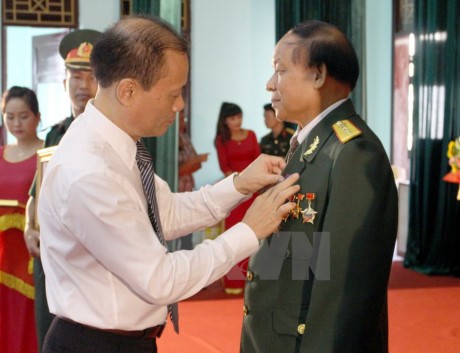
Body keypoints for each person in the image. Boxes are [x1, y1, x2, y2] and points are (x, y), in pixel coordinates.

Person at [38, 15, 300, 353]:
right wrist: (249, 230)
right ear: (128, 91)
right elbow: (160, 279)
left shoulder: (115, 145)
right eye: (173, 94)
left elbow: (166, 213)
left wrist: (239, 185)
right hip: (96, 344)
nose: (179, 106)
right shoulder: (91, 171)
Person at [240, 20, 398, 353]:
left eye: (280, 71)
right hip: (276, 336)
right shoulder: (311, 144)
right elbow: (301, 253)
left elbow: (348, 290)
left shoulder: (353, 152)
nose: (270, 84)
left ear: (318, 75)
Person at [23, 28, 101, 352]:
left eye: (90, 77)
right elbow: (35, 194)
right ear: (64, 82)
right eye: (75, 77)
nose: (82, 86)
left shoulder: (116, 136)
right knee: (49, 337)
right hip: (51, 261)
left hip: (92, 259)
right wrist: (29, 226)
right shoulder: (54, 135)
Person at [0, 86, 43, 353]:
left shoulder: (47, 154)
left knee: (30, 320)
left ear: (38, 117)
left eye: (24, 116)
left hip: (31, 256)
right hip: (2, 255)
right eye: (9, 116)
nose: (16, 123)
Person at [214, 102, 261, 294]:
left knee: (257, 233)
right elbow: (224, 167)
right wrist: (242, 183)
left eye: (239, 117)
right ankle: (234, 283)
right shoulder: (221, 140)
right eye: (233, 118)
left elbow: (258, 159)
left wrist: (255, 182)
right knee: (236, 235)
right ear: (225, 121)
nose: (237, 121)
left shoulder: (251, 134)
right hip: (235, 192)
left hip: (255, 191)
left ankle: (256, 281)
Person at [177, 109, 209, 250]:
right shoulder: (169, 138)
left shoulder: (184, 137)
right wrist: (193, 161)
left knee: (187, 231)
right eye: (181, 116)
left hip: (188, 187)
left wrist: (194, 162)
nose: (183, 119)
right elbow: (177, 170)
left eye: (183, 115)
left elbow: (197, 164)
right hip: (176, 187)